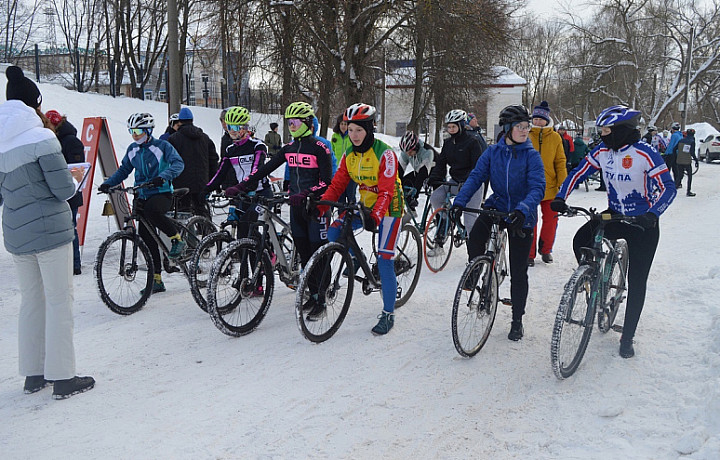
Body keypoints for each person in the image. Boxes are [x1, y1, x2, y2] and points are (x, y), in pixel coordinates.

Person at [551, 105, 676, 358]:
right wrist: (560, 197)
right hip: (614, 214)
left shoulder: (645, 153)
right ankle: (592, 280)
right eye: (601, 130)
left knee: (637, 281)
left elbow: (668, 188)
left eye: (607, 130)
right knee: (580, 240)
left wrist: (652, 214)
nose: (603, 135)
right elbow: (578, 172)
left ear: (621, 130)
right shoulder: (603, 151)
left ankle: (627, 336)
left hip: (643, 223)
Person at [0, 65, 94, 398]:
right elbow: (61, 189)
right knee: (58, 301)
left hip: (16, 235)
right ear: (33, 105)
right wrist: (72, 180)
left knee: (31, 303)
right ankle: (63, 376)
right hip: (51, 234)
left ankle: (33, 373)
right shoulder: (41, 138)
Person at [227, 101, 333, 315]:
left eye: (294, 123)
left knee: (317, 254)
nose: (291, 127)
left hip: (317, 207)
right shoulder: (289, 149)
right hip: (297, 207)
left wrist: (306, 193)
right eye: (289, 123)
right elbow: (264, 170)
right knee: (304, 253)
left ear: (307, 123)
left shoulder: (320, 147)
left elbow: (327, 181)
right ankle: (313, 295)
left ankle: (321, 298)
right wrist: (242, 185)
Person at [451, 104, 545, 341]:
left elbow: (537, 188)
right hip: (498, 206)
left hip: (521, 215)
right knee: (475, 239)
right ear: (507, 129)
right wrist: (459, 203)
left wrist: (523, 209)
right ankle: (478, 270)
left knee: (518, 269)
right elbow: (476, 177)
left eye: (527, 127)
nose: (525, 131)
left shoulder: (531, 156)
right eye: (520, 127)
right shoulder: (493, 152)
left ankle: (517, 319)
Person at [317, 103, 404, 335]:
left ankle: (388, 313)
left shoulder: (385, 154)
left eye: (359, 130)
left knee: (385, 259)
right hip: (365, 204)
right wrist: (323, 204)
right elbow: (337, 184)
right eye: (350, 129)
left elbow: (386, 191)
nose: (353, 135)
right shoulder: (349, 155)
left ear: (369, 129)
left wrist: (376, 216)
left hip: (389, 208)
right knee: (335, 232)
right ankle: (357, 258)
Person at [99, 113, 186, 293]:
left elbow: (178, 164)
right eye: (132, 131)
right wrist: (109, 183)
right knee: (147, 238)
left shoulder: (162, 146)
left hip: (161, 192)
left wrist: (163, 177)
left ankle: (176, 239)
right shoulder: (132, 149)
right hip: (141, 193)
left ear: (148, 130)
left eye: (138, 131)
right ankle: (157, 279)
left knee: (153, 212)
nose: (134, 135)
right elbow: (124, 170)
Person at [205, 106, 273, 236]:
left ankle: (266, 254)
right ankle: (244, 253)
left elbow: (256, 170)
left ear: (244, 128)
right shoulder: (231, 149)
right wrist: (206, 189)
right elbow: (220, 173)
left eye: (235, 128)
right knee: (241, 231)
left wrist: (242, 187)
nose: (231, 131)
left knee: (249, 224)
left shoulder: (257, 146)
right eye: (229, 127)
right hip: (244, 193)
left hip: (262, 193)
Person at [426, 109, 484, 256]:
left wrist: (468, 181)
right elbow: (441, 163)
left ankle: (475, 255)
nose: (451, 130)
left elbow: (477, 167)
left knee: (470, 220)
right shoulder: (448, 143)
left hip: (472, 185)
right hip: (455, 182)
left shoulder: (473, 142)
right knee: (436, 197)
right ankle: (445, 226)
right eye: (449, 127)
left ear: (461, 125)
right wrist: (434, 178)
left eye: (454, 127)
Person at [45, 109, 86, 275]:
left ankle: (75, 264)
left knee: (70, 228)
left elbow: (77, 169)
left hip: (70, 193)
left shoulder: (70, 141)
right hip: (57, 192)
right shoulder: (52, 140)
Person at [528, 100, 567, 265]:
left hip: (550, 186)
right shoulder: (526, 134)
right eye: (535, 119)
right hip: (528, 186)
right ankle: (529, 254)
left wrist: (562, 185)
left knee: (551, 219)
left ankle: (546, 250)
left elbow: (560, 161)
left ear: (546, 120)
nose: (538, 121)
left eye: (541, 119)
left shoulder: (555, 137)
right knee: (530, 221)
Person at [168, 107, 218, 218]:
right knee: (201, 208)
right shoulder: (205, 138)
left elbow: (168, 161)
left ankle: (187, 234)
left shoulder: (173, 139)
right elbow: (213, 159)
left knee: (183, 210)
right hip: (201, 181)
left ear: (180, 121)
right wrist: (212, 180)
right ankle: (207, 231)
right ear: (192, 120)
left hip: (181, 183)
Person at [398, 130, 436, 212]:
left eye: (410, 152)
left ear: (416, 147)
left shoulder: (427, 151)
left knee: (436, 198)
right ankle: (411, 212)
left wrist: (415, 195)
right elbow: (399, 170)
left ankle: (441, 220)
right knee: (404, 183)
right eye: (406, 152)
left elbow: (423, 175)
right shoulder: (407, 151)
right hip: (419, 171)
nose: (408, 154)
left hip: (436, 172)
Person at [330, 113, 356, 203]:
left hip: (351, 171)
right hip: (339, 171)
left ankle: (351, 215)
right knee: (340, 197)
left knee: (351, 195)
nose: (343, 126)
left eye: (345, 124)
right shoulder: (335, 136)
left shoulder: (352, 136)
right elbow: (331, 152)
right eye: (341, 124)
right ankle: (341, 215)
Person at [675, 128, 699, 196]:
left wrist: (677, 157)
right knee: (690, 176)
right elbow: (692, 152)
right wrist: (696, 160)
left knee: (680, 175)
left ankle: (674, 189)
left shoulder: (681, 140)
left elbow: (674, 149)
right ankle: (688, 191)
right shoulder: (692, 141)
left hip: (679, 161)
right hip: (687, 161)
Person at [664, 122, 683, 186]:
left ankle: (666, 181)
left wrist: (666, 153)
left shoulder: (674, 135)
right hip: (678, 154)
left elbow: (671, 145)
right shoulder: (681, 135)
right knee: (676, 169)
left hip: (671, 154)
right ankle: (678, 182)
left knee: (668, 168)